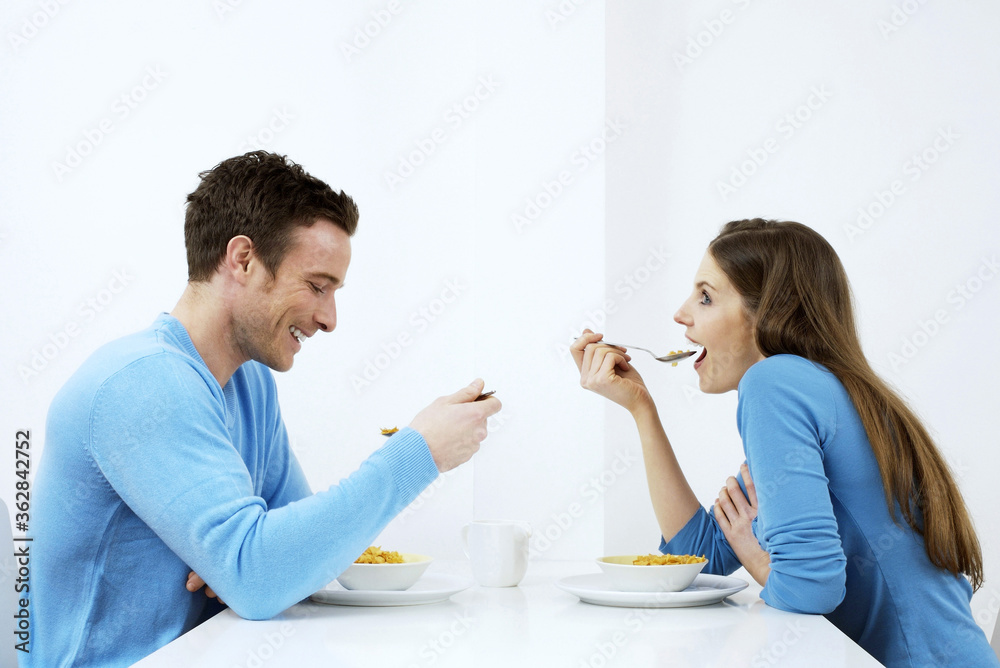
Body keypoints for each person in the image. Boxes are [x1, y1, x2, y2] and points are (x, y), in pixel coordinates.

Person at [28, 151, 501, 667]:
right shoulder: (144, 381)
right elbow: (262, 575)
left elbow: (296, 556)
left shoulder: (248, 381)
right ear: (243, 259)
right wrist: (421, 452)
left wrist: (249, 562)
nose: (329, 318)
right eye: (317, 285)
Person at [572, 219, 997, 667]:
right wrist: (641, 409)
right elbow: (695, 555)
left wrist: (756, 558)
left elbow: (811, 588)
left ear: (767, 311)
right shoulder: (820, 389)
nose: (681, 314)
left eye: (706, 296)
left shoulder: (774, 383)